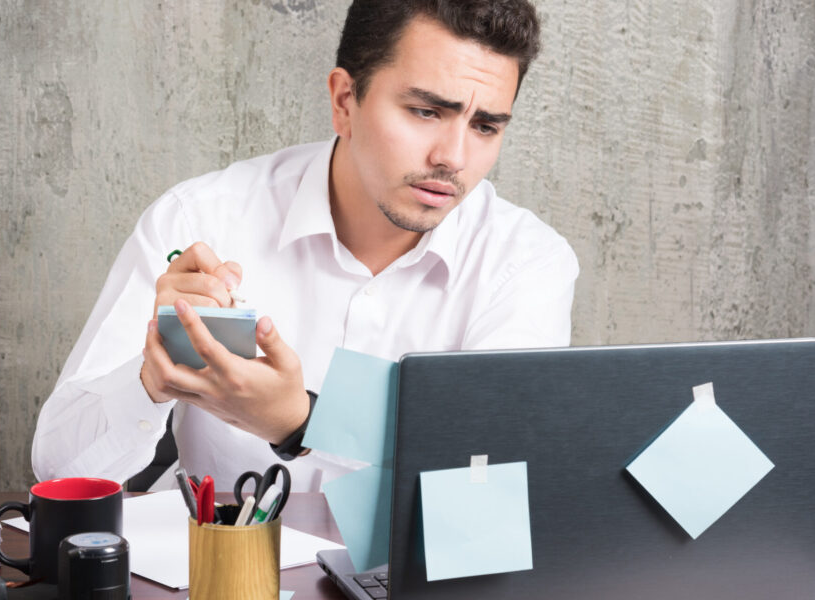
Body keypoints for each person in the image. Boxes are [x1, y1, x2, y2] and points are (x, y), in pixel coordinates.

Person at [32, 0, 578, 492]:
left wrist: (304, 421)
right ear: (345, 100)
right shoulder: (201, 219)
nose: (453, 157)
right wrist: (152, 379)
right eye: (426, 111)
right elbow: (57, 469)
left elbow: (494, 481)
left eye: (485, 126)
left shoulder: (525, 264)